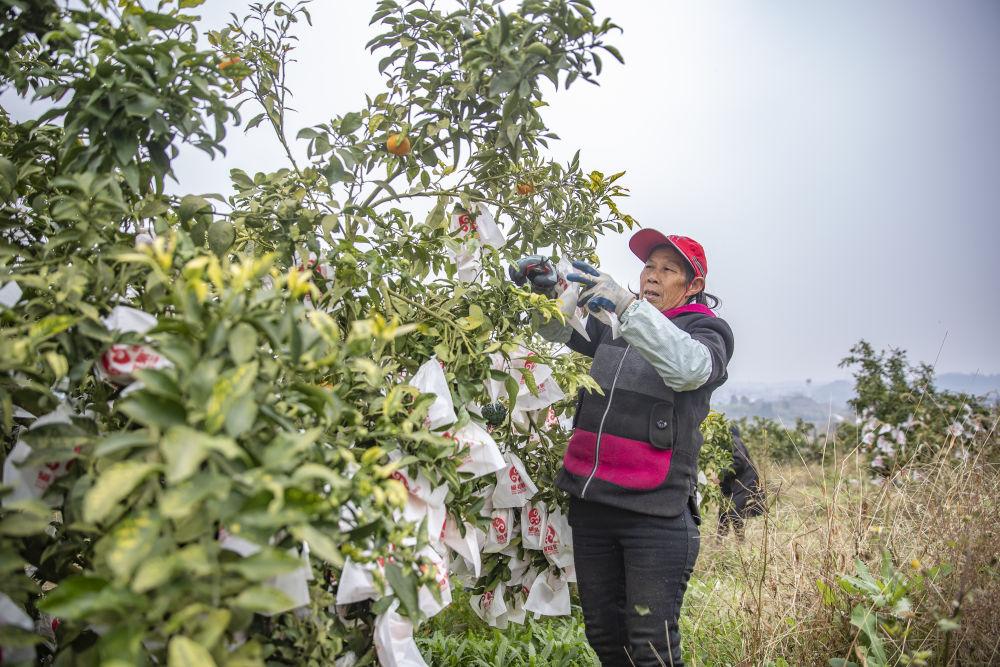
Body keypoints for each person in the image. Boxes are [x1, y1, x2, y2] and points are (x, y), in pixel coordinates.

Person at [509, 230, 735, 667]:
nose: (652, 276)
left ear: (693, 286)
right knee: (605, 637)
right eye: (649, 266)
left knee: (651, 642)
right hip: (594, 503)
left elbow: (690, 369)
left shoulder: (706, 331)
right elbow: (561, 328)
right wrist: (543, 291)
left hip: (655, 512)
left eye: (668, 269)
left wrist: (629, 307)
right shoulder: (618, 322)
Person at [717, 425, 765, 541]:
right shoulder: (733, 442)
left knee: (733, 512)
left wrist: (721, 475)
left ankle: (740, 542)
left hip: (745, 482)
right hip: (736, 483)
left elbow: (739, 462)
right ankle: (719, 541)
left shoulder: (734, 441)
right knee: (724, 511)